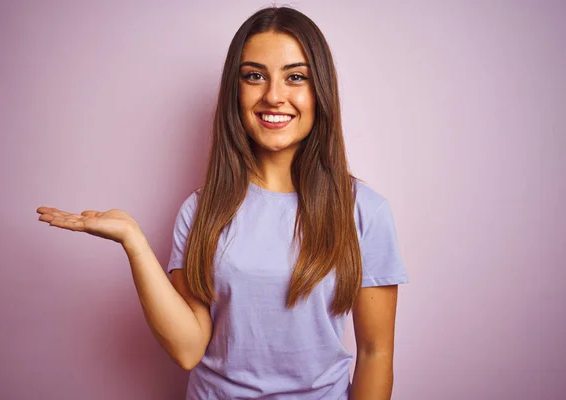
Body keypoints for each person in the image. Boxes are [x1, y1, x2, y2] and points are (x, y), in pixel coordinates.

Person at [36, 6, 409, 400]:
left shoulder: (365, 211)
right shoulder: (200, 211)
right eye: (254, 76)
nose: (274, 96)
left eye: (295, 77)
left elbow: (375, 353)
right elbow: (188, 348)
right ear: (236, 89)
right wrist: (133, 240)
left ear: (321, 92)